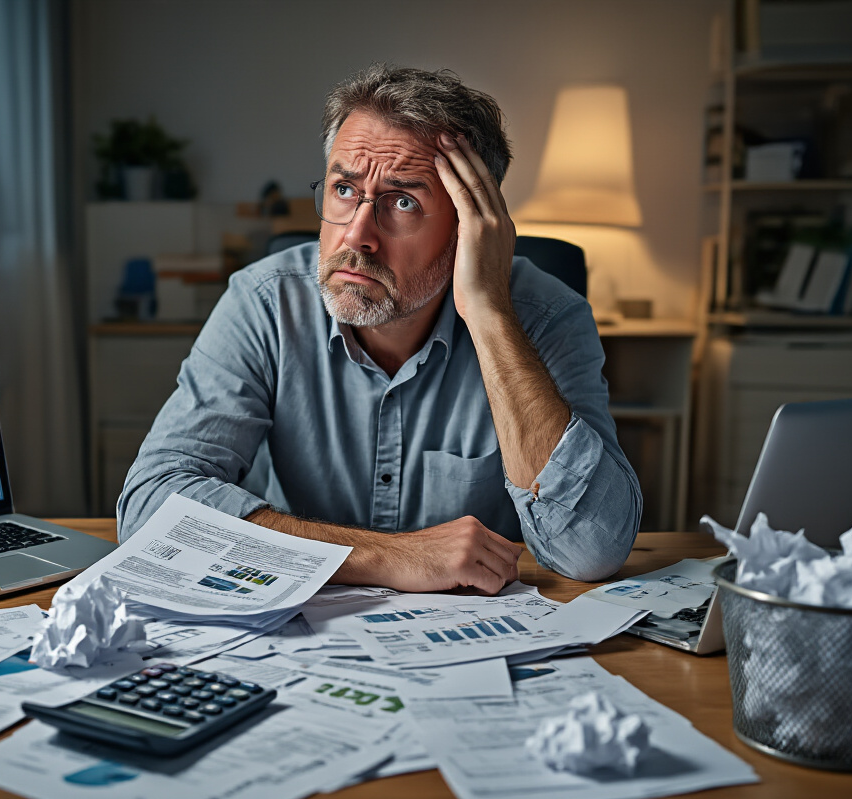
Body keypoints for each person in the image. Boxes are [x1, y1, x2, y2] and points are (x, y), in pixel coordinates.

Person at [118, 64, 642, 592]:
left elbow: (590, 551)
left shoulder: (548, 317)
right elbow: (150, 506)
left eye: (403, 201)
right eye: (344, 189)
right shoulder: (264, 303)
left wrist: (490, 315)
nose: (357, 234)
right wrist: (390, 556)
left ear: (470, 229)